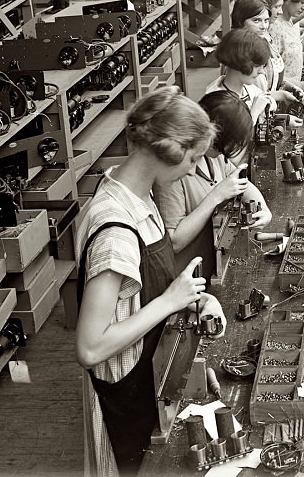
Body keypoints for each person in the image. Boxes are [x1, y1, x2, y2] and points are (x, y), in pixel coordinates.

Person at [76, 86, 226, 476]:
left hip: (153, 372)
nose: (193, 169)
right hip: (128, 393)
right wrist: (169, 301)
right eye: (192, 159)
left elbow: (144, 287)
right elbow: (90, 348)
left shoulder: (138, 199)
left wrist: (193, 298)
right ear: (171, 152)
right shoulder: (116, 231)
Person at [153, 90, 272, 279]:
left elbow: (240, 182)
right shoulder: (174, 171)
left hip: (217, 262)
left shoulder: (213, 157)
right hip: (190, 278)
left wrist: (264, 210)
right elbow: (173, 241)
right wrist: (216, 195)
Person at [206, 28, 277, 127]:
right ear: (241, 62)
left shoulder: (247, 89)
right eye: (257, 66)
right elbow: (234, 139)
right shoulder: (216, 102)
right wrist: (254, 113)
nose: (261, 72)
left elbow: (269, 102)